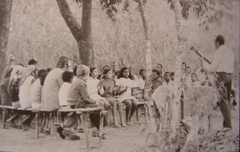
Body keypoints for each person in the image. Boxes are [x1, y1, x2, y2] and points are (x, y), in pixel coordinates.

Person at [203, 35, 234, 131]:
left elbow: (213, 68)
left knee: (223, 101)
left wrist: (204, 65)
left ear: (217, 42)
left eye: (214, 43)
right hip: (230, 75)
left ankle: (228, 125)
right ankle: (226, 124)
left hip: (222, 76)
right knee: (227, 100)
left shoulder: (219, 51)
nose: (214, 45)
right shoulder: (230, 51)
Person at [67, 65, 106, 139]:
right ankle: (98, 129)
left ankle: (96, 128)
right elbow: (86, 98)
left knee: (95, 106)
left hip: (72, 103)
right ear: (85, 73)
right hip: (78, 103)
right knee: (98, 107)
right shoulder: (82, 83)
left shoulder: (76, 81)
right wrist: (94, 101)